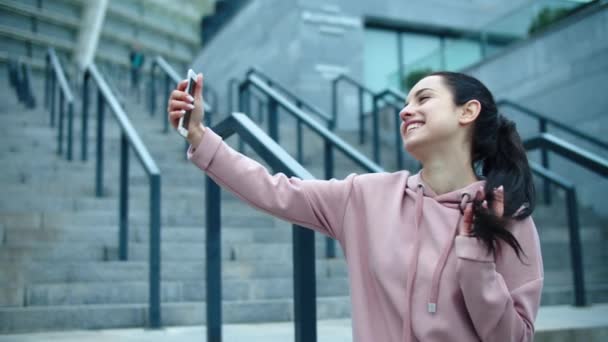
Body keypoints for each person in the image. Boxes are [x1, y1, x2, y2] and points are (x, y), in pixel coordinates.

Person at [167, 71, 543, 342]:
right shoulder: (365, 196)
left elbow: (514, 338)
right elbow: (272, 190)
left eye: (423, 98)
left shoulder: (506, 218)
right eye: (405, 102)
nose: (405, 110)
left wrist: (476, 262)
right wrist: (200, 135)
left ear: (468, 111)